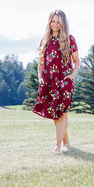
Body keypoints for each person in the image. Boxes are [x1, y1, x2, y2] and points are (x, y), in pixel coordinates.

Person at [32, 9, 80, 153]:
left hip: (64, 81)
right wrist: (40, 78)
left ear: (63, 23)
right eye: (53, 21)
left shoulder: (69, 39)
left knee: (63, 113)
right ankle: (67, 143)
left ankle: (58, 146)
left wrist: (72, 76)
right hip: (48, 81)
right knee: (55, 114)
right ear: (49, 22)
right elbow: (40, 63)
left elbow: (76, 61)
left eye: (58, 22)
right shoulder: (44, 41)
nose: (55, 24)